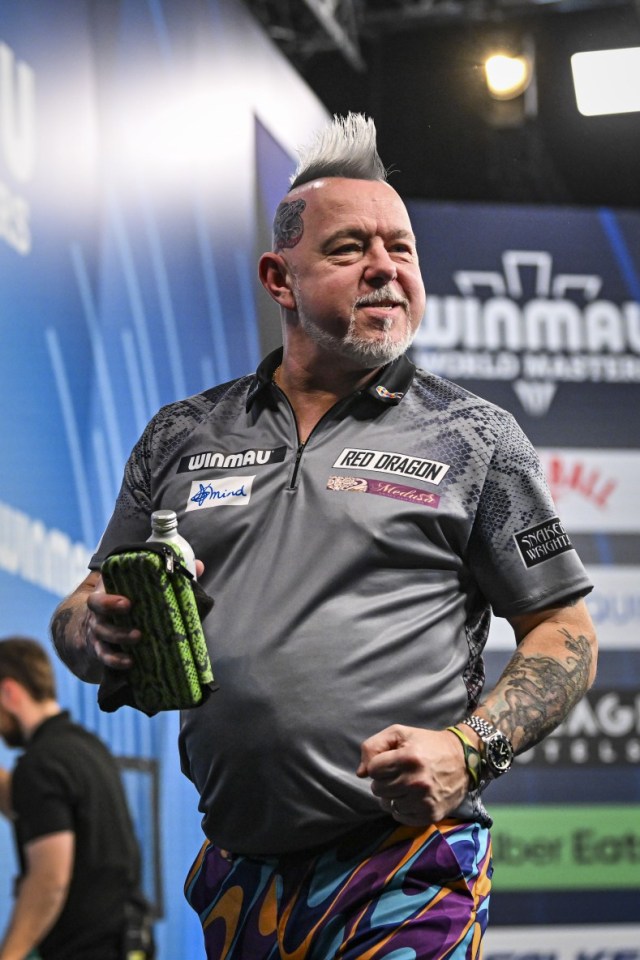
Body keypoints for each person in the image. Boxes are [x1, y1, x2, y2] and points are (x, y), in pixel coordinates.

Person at [50, 113, 597, 959]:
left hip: (406, 862)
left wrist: (469, 748)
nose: (385, 267)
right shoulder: (181, 434)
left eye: (402, 249)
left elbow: (565, 635)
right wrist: (95, 628)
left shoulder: (474, 437)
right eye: (350, 249)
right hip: (240, 872)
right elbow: (83, 608)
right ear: (280, 275)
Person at [0, 636, 153, 960]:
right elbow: (37, 807)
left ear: (9, 692)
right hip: (129, 943)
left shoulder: (40, 764)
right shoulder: (86, 748)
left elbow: (49, 880)